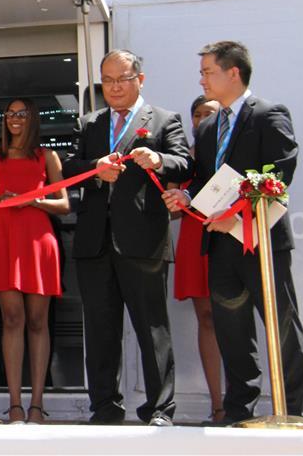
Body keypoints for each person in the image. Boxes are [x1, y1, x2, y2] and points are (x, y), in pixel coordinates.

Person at [163, 41, 303, 424]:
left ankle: (293, 409)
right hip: (221, 245)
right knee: (231, 329)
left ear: (234, 72)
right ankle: (237, 411)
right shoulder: (209, 125)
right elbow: (207, 181)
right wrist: (186, 196)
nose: (202, 79)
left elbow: (278, 174)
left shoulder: (269, 114)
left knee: (281, 325)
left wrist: (239, 220)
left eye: (208, 71)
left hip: (261, 241)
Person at [62, 49, 191, 426]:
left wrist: (159, 160)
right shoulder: (90, 123)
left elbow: (185, 162)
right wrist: (94, 168)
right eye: (108, 80)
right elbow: (68, 166)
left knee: (153, 330)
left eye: (122, 79)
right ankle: (104, 408)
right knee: (101, 332)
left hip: (143, 240)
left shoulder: (165, 120)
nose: (114, 88)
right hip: (93, 242)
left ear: (140, 80)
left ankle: (160, 410)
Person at [0, 98, 69, 424]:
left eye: (22, 113)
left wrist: (34, 199)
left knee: (38, 321)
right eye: (10, 114)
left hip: (38, 240)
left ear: (33, 118)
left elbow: (65, 204)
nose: (15, 119)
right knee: (11, 318)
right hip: (3, 240)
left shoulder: (47, 156)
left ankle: (37, 404)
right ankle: (15, 403)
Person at [171, 95, 224, 423]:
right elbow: (174, 210)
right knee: (206, 317)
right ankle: (217, 405)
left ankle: (239, 402)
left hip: (228, 237)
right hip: (194, 238)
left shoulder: (231, 150)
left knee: (233, 319)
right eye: (198, 114)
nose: (203, 119)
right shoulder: (185, 158)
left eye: (211, 114)